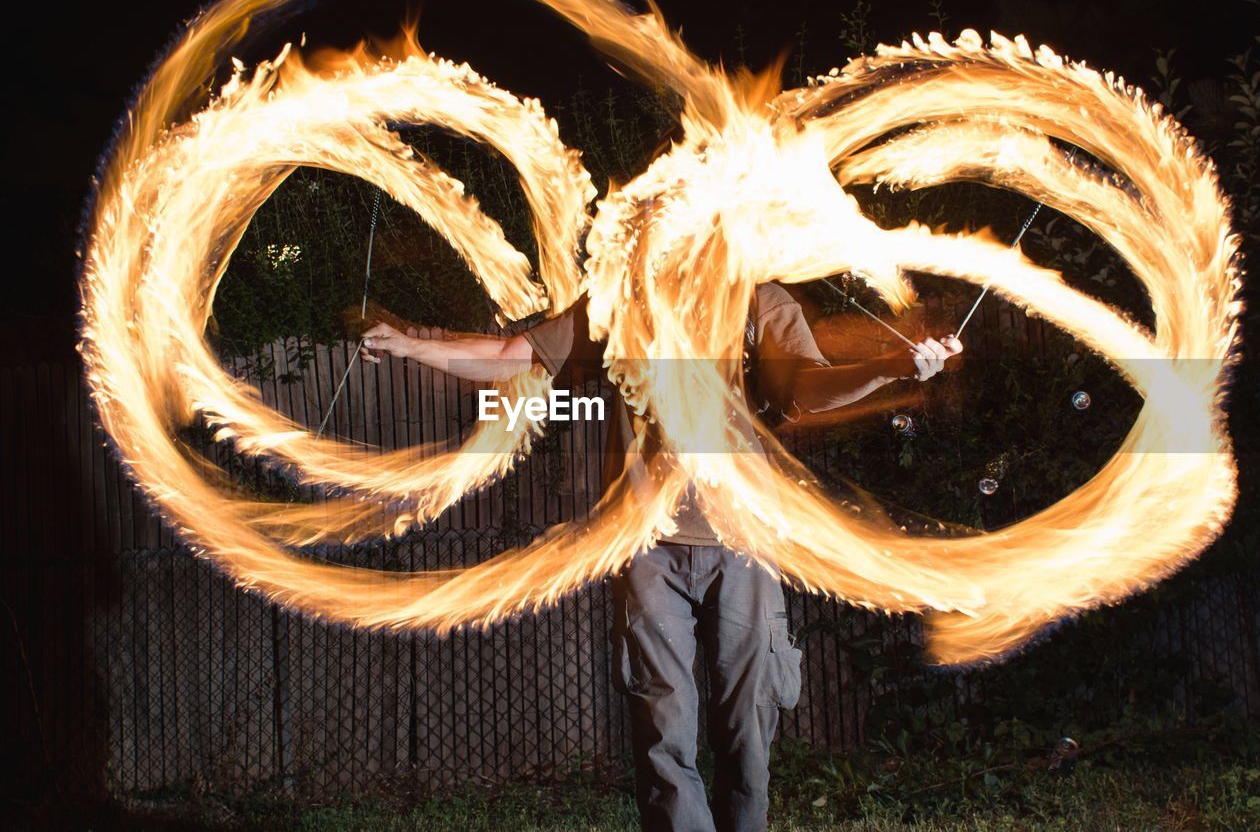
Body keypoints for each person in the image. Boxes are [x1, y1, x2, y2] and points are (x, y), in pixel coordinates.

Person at [360, 284, 961, 831]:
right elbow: (509, 357)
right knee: (662, 729)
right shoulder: (621, 300)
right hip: (647, 549)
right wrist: (410, 344)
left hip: (743, 543)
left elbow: (805, 389)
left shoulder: (759, 303)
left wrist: (894, 365)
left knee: (748, 730)